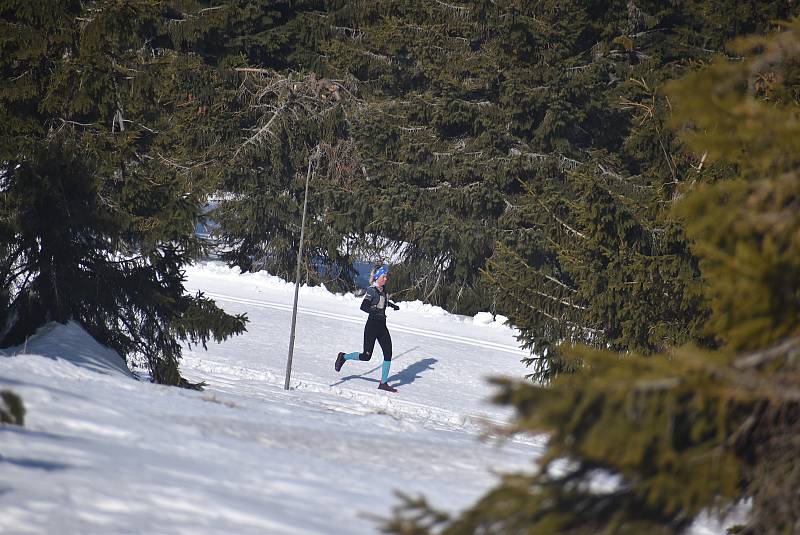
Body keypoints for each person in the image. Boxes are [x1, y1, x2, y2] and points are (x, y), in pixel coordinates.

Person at [335, 264, 400, 392]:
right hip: (372, 326)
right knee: (366, 356)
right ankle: (343, 357)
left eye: (386, 277)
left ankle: (383, 383)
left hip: (382, 326)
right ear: (378, 277)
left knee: (388, 353)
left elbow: (383, 302)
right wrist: (375, 311)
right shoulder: (372, 290)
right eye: (384, 277)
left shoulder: (383, 290)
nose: (386, 279)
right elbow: (364, 306)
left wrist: (392, 305)